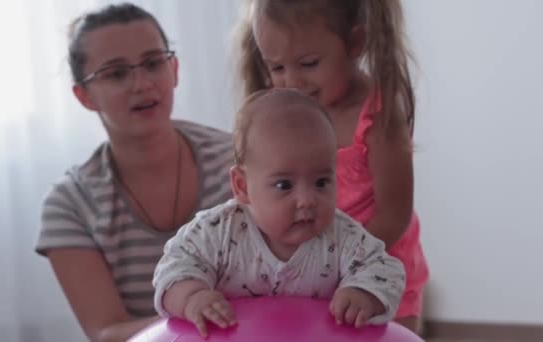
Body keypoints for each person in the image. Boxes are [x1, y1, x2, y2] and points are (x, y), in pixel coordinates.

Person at [34, 3, 234, 341]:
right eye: (115, 73)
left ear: (174, 69)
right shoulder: (70, 204)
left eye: (154, 63)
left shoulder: (238, 160)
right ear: (84, 96)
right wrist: (193, 315)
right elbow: (107, 333)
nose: (142, 84)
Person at [233, 0, 429, 333]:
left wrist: (336, 260)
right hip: (308, 268)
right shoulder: (278, 117)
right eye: (277, 68)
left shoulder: (378, 117)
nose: (292, 81)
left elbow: (395, 215)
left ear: (355, 43)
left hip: (377, 271)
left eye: (308, 63)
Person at [152, 89, 405, 338]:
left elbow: (386, 270)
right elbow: (174, 267)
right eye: (284, 185)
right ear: (242, 186)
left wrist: (364, 293)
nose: (307, 200)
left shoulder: (343, 237)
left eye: (321, 182)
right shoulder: (217, 231)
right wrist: (192, 297)